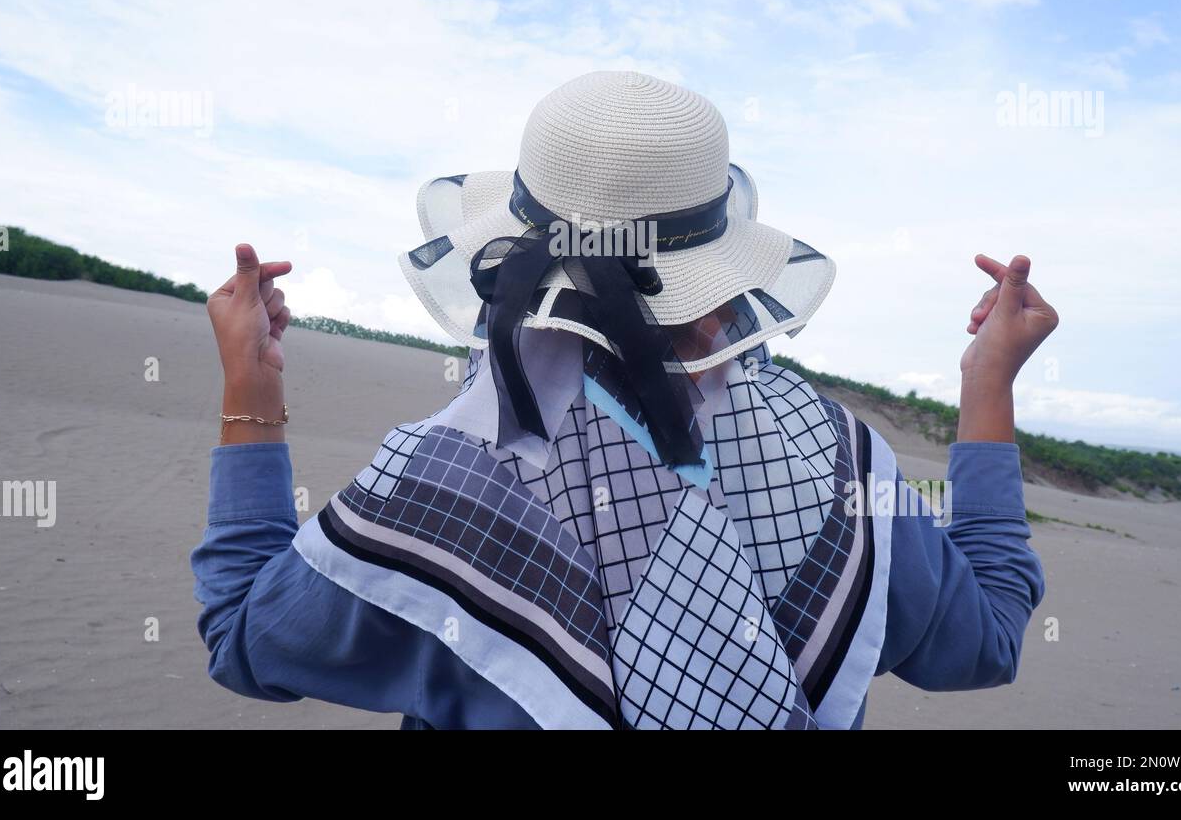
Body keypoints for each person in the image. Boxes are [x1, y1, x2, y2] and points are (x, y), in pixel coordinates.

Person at [191, 71, 1052, 729]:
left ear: (508, 270)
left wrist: (251, 392)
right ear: (720, 291)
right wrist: (987, 388)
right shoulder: (834, 461)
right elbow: (987, 639)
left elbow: (240, 636)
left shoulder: (436, 491)